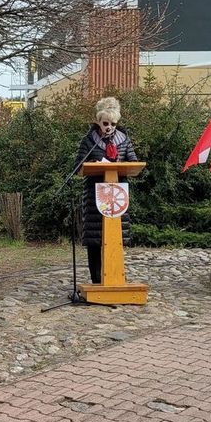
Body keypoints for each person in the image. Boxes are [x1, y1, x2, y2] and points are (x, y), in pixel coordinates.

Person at [76, 96, 139, 285]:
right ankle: (97, 279)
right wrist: (93, 164)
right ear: (98, 121)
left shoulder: (124, 140)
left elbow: (134, 162)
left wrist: (121, 165)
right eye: (105, 123)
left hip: (118, 196)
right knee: (96, 239)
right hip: (96, 197)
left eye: (112, 123)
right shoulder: (89, 141)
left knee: (115, 238)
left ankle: (115, 276)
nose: (109, 127)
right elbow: (78, 165)